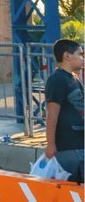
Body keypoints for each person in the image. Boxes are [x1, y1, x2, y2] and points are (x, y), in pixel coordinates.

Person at [44, 38, 84, 183]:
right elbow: (52, 114)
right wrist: (50, 143)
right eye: (80, 54)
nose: (82, 58)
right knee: (71, 189)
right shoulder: (57, 79)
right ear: (67, 56)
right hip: (69, 147)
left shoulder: (73, 78)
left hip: (80, 144)